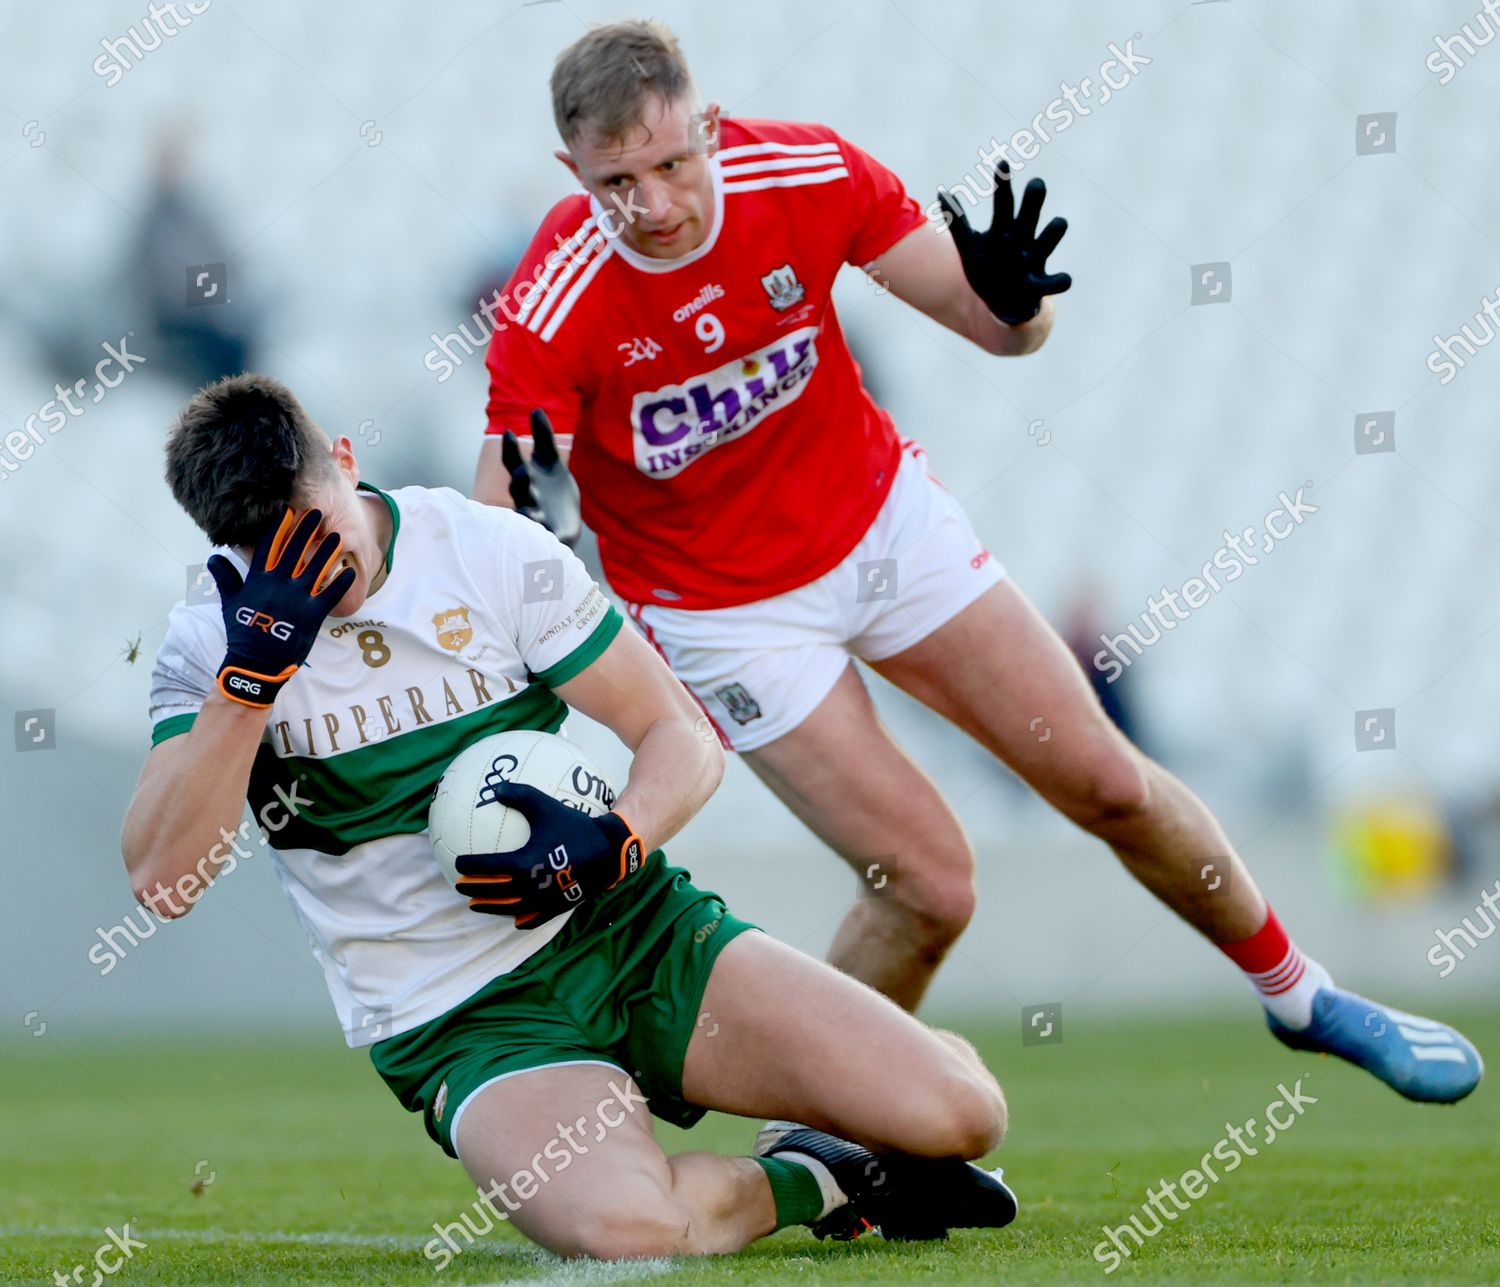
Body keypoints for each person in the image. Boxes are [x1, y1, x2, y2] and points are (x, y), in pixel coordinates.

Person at [475, 20, 1481, 1103]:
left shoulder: (807, 171)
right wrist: (543, 530)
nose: (657, 206)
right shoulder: (552, 302)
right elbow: (506, 526)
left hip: (881, 525)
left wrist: (1017, 302)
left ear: (712, 128)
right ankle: (812, 1135)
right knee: (930, 887)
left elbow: (999, 331)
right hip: (725, 612)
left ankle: (1302, 997)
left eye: (674, 164)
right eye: (619, 182)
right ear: (572, 172)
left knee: (1105, 782)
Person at [121, 373, 1018, 1261]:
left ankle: (876, 1111)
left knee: (963, 1114)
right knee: (633, 1232)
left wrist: (614, 839)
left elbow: (680, 734)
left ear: (346, 463)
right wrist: (248, 685)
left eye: (322, 535)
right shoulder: (210, 642)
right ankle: (823, 1174)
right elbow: (163, 879)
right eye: (278, 554)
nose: (320, 574)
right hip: (460, 1014)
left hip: (628, 927)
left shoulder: (485, 550)